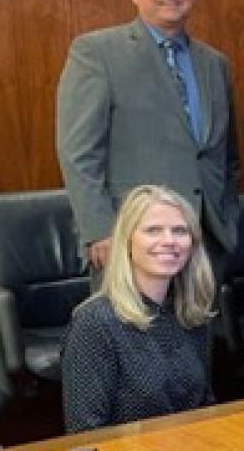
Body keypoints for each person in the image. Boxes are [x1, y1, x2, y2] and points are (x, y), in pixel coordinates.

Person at [56, 0, 241, 281]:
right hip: (132, 237)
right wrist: (99, 229)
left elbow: (227, 156)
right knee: (130, 332)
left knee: (199, 331)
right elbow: (79, 153)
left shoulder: (215, 64)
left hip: (207, 237)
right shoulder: (97, 53)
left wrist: (227, 219)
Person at [60, 185, 216, 432]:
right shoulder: (94, 323)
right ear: (127, 241)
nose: (169, 241)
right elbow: (84, 433)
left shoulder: (193, 313)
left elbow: (205, 407)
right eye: (153, 230)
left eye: (179, 231)